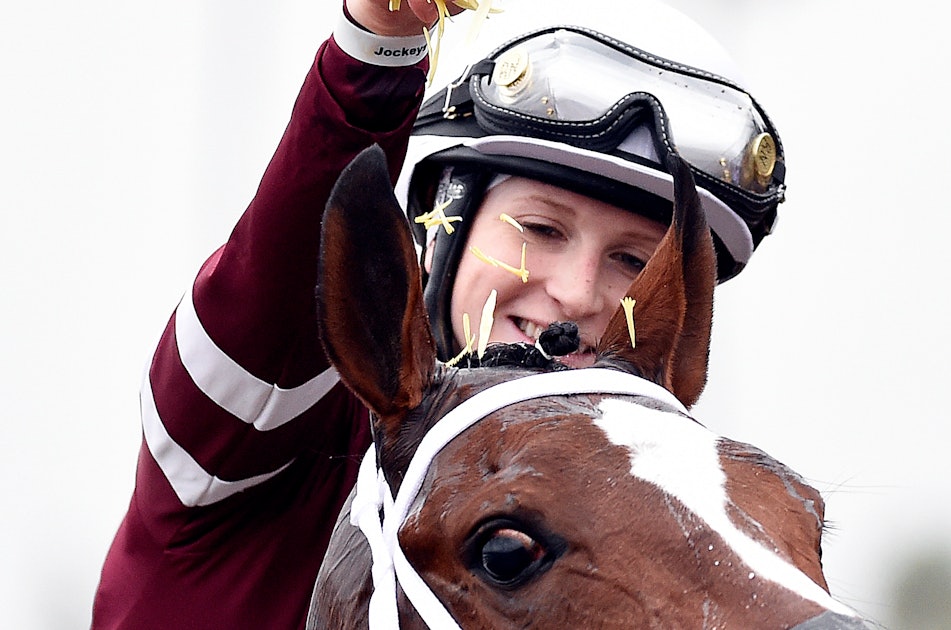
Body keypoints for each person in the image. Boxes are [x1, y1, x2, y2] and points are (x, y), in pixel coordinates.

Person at [91, 0, 785, 627]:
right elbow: (283, 276)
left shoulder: (652, 564)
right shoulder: (269, 435)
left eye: (634, 263)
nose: (578, 294)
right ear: (438, 231)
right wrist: (378, 46)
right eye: (542, 230)